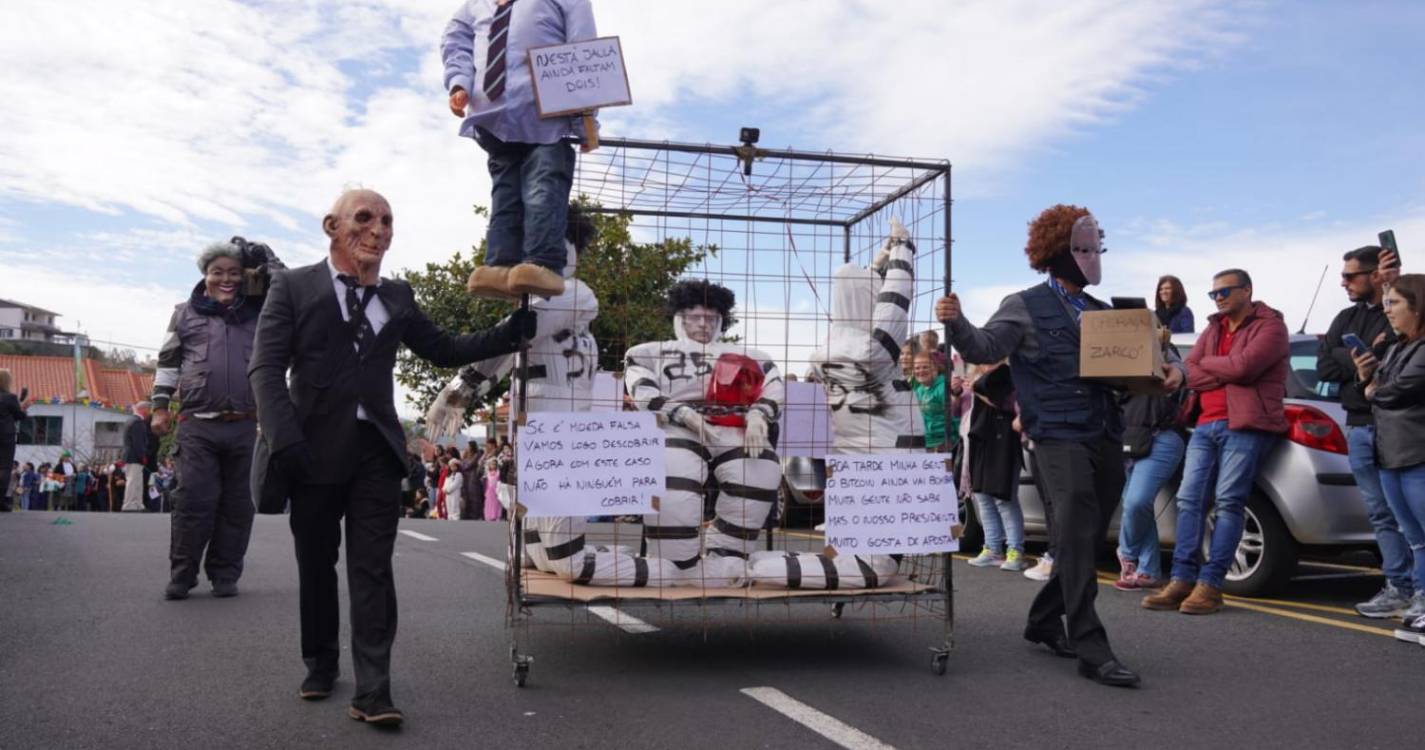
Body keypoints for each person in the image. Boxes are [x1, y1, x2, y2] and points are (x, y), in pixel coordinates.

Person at [248, 188, 534, 726]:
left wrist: (505, 335)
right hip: (309, 450)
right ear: (331, 226)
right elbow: (265, 369)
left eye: (387, 221)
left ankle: (373, 690)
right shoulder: (294, 287)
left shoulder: (397, 295)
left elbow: (443, 348)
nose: (378, 230)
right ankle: (320, 662)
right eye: (364, 218)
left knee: (373, 569)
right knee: (316, 564)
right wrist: (286, 442)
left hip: (376, 453)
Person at [936, 204, 1186, 688]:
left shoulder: (1102, 312)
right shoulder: (1023, 305)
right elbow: (985, 348)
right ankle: (1091, 646)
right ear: (1056, 252)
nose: (1092, 257)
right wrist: (957, 321)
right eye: (1082, 249)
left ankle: (1044, 620)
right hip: (1055, 435)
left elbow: (1162, 354)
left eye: (1096, 248)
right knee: (1073, 531)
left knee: (1085, 537)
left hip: (1105, 432)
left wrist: (1177, 369)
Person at [1143, 269, 1288, 615]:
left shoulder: (1271, 326)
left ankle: (1211, 585)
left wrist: (1207, 367)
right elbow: (1190, 370)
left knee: (1228, 501)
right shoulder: (1214, 328)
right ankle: (1182, 579)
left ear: (1247, 290)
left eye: (1224, 292)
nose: (1218, 298)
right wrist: (1214, 369)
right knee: (1188, 500)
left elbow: (1243, 368)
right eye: (1214, 294)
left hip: (1246, 425)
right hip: (1205, 425)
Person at [625, 279, 785, 585]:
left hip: (735, 422)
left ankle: (728, 556)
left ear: (721, 320)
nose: (703, 324)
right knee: (674, 473)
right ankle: (674, 561)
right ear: (680, 318)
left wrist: (759, 415)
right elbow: (639, 384)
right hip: (676, 424)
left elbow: (773, 385)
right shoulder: (651, 352)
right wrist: (679, 412)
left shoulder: (748, 354)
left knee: (760, 467)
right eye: (695, 317)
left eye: (711, 318)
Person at [442, 0, 598, 300]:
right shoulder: (476, 5)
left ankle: (543, 262)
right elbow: (455, 37)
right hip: (495, 119)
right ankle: (500, 264)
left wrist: (586, 118)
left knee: (544, 186)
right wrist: (459, 81)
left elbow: (584, 49)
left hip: (545, 115)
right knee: (505, 193)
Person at [151, 241, 265, 599]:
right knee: (193, 501)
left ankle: (225, 574)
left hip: (245, 424)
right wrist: (160, 406)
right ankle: (182, 575)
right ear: (205, 275)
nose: (226, 279)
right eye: (218, 272)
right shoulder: (183, 314)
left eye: (234, 272)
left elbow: (277, 359)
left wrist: (262, 260)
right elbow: (168, 362)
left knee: (238, 505)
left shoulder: (259, 313)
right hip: (197, 424)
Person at [1316, 245, 1412, 618]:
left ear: (1374, 275)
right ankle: (1399, 587)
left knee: (1408, 512)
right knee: (1379, 513)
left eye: (1350, 276)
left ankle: (1419, 589)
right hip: (1358, 425)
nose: (1343, 282)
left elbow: (1395, 358)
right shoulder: (1345, 317)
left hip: (1397, 425)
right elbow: (1325, 366)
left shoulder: (1400, 310)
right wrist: (1357, 360)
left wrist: (1363, 359)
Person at [1354, 273, 1425, 635]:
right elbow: (1378, 387)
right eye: (1385, 304)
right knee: (1414, 536)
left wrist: (1373, 389)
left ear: (1418, 306)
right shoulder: (1398, 348)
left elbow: (1397, 391)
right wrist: (1366, 377)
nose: (1387, 311)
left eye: (1394, 302)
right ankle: (1420, 600)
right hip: (1390, 454)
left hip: (1417, 455)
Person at [1114, 346, 1189, 591]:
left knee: (1136, 502)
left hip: (1161, 435)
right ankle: (1148, 571)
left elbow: (1179, 368)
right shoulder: (1111, 356)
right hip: (1128, 437)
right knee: (1137, 506)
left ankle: (1126, 553)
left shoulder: (1159, 348)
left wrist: (1176, 372)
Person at [0, 369, 26, 513]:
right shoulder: (10, 397)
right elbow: (19, 415)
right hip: (5, 435)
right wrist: (24, 408)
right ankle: (1, 500)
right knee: (4, 468)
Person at [120, 403, 154, 511]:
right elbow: (138, 442)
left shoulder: (131, 420)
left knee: (138, 481)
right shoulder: (137, 422)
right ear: (143, 409)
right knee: (133, 481)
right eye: (149, 409)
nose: (149, 412)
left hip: (132, 456)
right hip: (134, 456)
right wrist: (142, 455)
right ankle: (129, 504)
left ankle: (138, 504)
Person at [913, 353, 948, 451]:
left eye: (925, 367)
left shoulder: (944, 388)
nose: (921, 371)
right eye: (917, 368)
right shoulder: (919, 390)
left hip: (942, 444)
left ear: (935, 368)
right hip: (925, 443)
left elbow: (954, 417)